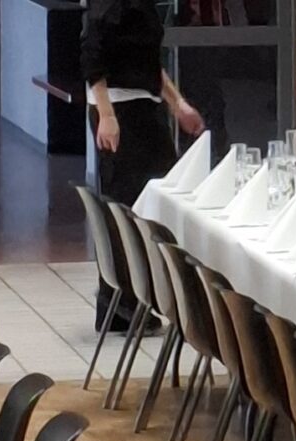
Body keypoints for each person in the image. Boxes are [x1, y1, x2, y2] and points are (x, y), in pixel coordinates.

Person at [82, 0, 205, 323]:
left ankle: (133, 300)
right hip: (120, 111)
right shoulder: (109, 6)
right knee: (127, 205)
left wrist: (178, 104)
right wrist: (107, 116)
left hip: (144, 108)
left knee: (153, 201)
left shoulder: (142, 7)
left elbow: (149, 65)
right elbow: (92, 59)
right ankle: (121, 303)